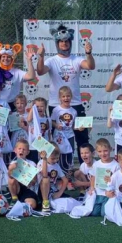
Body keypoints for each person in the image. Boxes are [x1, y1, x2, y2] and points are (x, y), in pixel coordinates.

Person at [36, 24, 95, 162]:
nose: (64, 44)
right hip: (56, 105)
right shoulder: (52, 60)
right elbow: (40, 71)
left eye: (66, 41)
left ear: (70, 42)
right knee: (55, 139)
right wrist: (41, 57)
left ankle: (84, 168)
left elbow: (90, 66)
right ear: (57, 43)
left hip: (76, 104)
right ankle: (55, 168)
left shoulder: (76, 59)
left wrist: (88, 54)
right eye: (61, 41)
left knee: (82, 137)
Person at [0, 42, 36, 108]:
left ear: (12, 59)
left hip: (12, 105)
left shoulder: (17, 72)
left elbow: (31, 76)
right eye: (3, 57)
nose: (5, 59)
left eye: (8, 57)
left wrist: (29, 61)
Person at [50, 86, 77, 185]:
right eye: (64, 96)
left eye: (68, 96)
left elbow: (73, 126)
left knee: (69, 156)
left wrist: (79, 128)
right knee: (58, 155)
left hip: (70, 136)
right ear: (60, 98)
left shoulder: (74, 111)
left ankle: (68, 179)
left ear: (71, 97)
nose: (66, 98)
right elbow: (51, 121)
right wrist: (56, 125)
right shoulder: (56, 110)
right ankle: (58, 178)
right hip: (59, 137)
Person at [88, 138, 120, 217]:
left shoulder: (116, 165)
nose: (103, 153)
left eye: (105, 151)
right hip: (98, 193)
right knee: (94, 213)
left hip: (108, 194)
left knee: (104, 213)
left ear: (110, 149)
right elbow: (93, 177)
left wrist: (111, 179)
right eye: (100, 151)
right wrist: (92, 188)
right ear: (96, 152)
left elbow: (118, 180)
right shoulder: (96, 164)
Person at [7, 139, 43, 209]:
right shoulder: (13, 163)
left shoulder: (32, 163)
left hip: (28, 189)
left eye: (24, 149)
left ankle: (21, 205)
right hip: (17, 189)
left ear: (28, 152)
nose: (21, 151)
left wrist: (28, 181)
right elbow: (9, 177)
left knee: (31, 204)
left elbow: (34, 181)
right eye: (19, 149)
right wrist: (10, 169)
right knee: (11, 179)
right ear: (15, 150)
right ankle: (14, 199)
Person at [37, 146, 69, 212]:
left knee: (69, 200)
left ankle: (51, 201)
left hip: (53, 190)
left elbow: (65, 180)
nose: (55, 160)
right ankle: (45, 202)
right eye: (53, 158)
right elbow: (45, 175)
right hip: (42, 191)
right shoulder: (41, 163)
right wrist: (44, 160)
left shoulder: (56, 165)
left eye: (57, 158)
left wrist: (59, 193)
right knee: (46, 179)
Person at [26, 98, 50, 164]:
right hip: (33, 147)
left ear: (45, 107)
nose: (39, 108)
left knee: (42, 164)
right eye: (37, 106)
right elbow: (28, 119)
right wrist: (33, 108)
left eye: (42, 106)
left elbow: (48, 132)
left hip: (44, 146)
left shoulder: (48, 119)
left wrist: (50, 142)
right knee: (33, 165)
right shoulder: (32, 119)